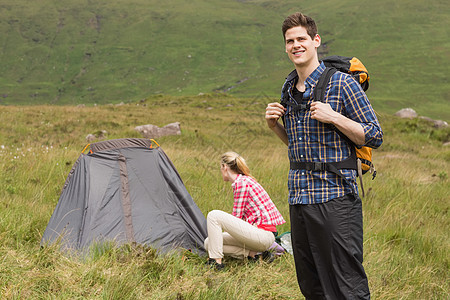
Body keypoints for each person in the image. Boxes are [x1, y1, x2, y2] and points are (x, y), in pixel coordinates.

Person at [265, 12, 383, 299]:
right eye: (290, 41)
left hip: (336, 198)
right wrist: (274, 127)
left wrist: (334, 117)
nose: (296, 45)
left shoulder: (342, 84)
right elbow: (298, 146)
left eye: (301, 39)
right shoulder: (288, 88)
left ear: (315, 41)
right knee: (311, 284)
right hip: (300, 200)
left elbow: (375, 135)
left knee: (346, 285)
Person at [204, 151, 286, 270]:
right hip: (257, 235)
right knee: (209, 243)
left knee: (214, 215)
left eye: (220, 168)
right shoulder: (243, 181)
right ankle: (255, 255)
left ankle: (216, 263)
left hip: (263, 235)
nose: (221, 171)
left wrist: (221, 225)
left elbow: (236, 218)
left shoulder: (241, 183)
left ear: (224, 167)